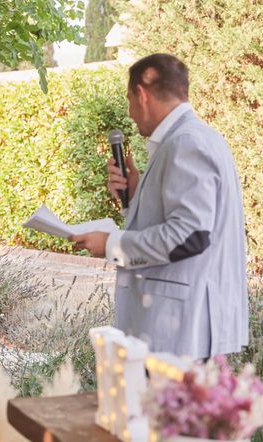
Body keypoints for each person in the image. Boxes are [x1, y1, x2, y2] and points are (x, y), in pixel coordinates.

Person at [69, 53, 248, 359]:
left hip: (179, 334)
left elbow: (189, 235)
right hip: (182, 331)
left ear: (142, 94)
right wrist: (137, 194)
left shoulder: (186, 143)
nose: (130, 112)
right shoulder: (198, 139)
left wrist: (111, 243)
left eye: (129, 100)